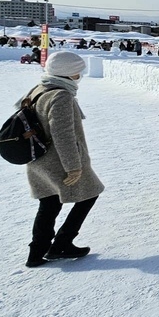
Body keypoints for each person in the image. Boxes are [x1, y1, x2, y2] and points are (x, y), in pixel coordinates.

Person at [22, 51, 104, 267]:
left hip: (38, 160)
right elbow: (63, 134)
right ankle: (62, 243)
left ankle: (37, 253)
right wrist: (74, 167)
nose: (80, 75)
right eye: (78, 71)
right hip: (58, 161)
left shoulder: (39, 88)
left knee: (49, 204)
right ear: (68, 73)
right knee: (90, 194)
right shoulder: (61, 96)